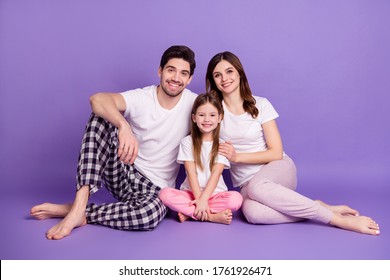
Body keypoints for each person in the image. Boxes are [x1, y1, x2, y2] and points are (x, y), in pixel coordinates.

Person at [30, 45, 198, 240]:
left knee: (149, 215)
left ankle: (80, 212)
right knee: (100, 117)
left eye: (183, 73)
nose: (176, 78)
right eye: (171, 70)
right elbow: (97, 99)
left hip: (155, 191)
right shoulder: (142, 97)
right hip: (123, 171)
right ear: (160, 70)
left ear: (190, 79)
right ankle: (79, 203)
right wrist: (123, 125)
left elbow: (220, 118)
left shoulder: (194, 104)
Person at [205, 51, 380, 235]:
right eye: (217, 75)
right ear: (213, 80)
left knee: (258, 186)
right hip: (246, 184)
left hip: (278, 168)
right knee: (252, 214)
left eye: (229, 71)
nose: (225, 78)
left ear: (239, 73)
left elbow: (276, 152)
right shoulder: (212, 113)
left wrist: (237, 157)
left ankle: (337, 220)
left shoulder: (261, 105)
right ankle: (317, 207)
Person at [159, 93, 243, 224]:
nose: (206, 119)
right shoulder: (187, 142)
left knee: (236, 199)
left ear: (220, 117)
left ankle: (191, 213)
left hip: (215, 194)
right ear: (194, 118)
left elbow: (216, 173)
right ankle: (211, 216)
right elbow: (191, 172)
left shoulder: (223, 145)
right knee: (164, 194)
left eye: (212, 115)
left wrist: (204, 200)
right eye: (201, 115)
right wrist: (200, 199)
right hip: (191, 193)